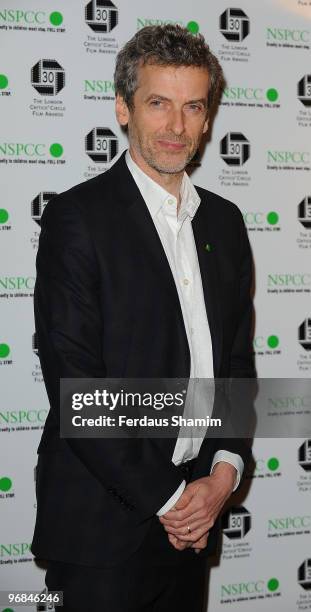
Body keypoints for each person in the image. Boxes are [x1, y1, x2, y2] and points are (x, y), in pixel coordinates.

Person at [31, 24, 255, 612]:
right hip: (103, 529)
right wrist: (174, 500)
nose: (177, 127)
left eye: (192, 107)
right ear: (123, 109)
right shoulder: (78, 219)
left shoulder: (226, 224)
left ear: (208, 118)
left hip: (193, 525)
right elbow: (78, 387)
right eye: (158, 103)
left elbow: (234, 364)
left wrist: (224, 473)